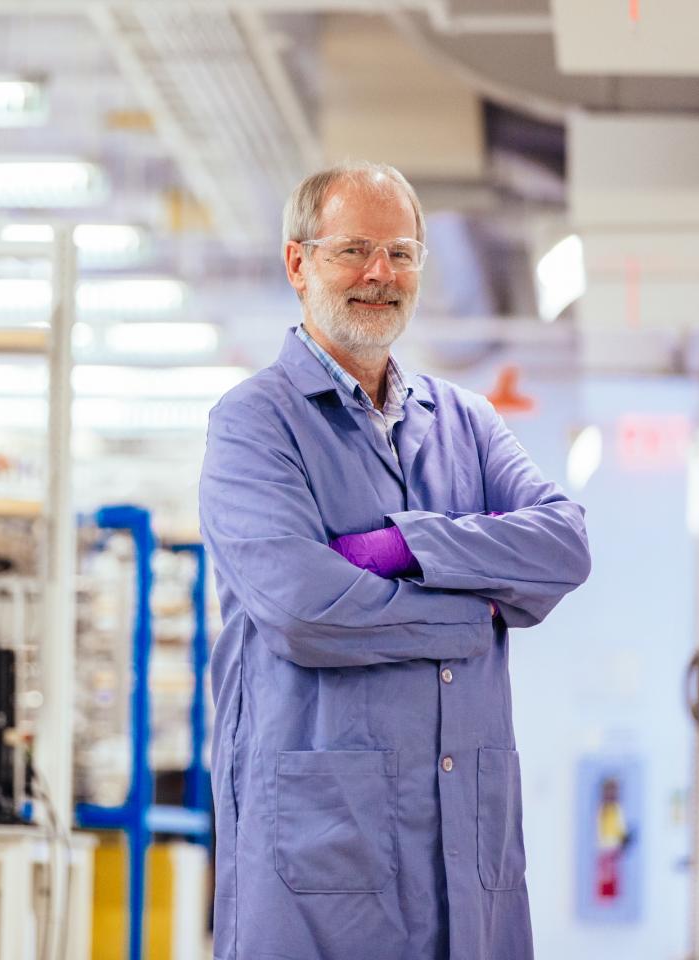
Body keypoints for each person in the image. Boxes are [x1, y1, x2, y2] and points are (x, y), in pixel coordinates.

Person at [198, 162, 591, 960]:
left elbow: (563, 543)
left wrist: (403, 547)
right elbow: (305, 611)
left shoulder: (467, 424)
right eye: (354, 250)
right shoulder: (253, 427)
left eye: (402, 254)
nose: (380, 274)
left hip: (466, 861)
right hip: (318, 870)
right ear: (298, 263)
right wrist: (471, 612)